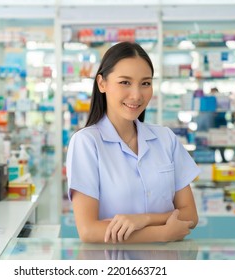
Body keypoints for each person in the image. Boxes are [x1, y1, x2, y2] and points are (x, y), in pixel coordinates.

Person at [66, 42, 200, 244]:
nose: (137, 95)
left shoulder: (165, 139)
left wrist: (143, 220)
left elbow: (190, 215)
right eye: (125, 82)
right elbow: (89, 230)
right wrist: (162, 233)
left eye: (145, 83)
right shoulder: (87, 143)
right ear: (102, 84)